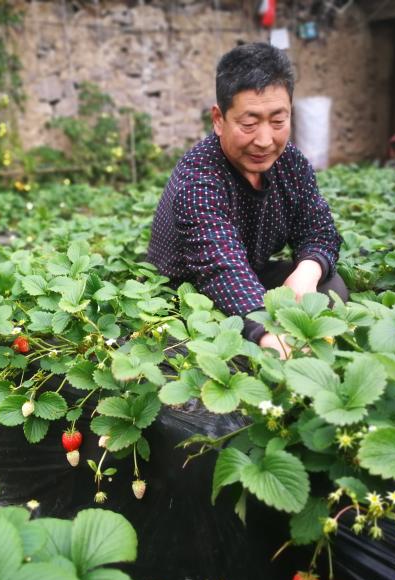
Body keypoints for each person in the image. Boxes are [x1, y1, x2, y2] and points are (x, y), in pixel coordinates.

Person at [147, 43, 347, 359]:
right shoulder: (198, 178)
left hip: (250, 274)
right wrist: (266, 332)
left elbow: (318, 229)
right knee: (201, 348)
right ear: (218, 118)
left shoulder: (290, 162)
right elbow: (221, 269)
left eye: (278, 121)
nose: (265, 140)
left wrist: (307, 271)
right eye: (249, 124)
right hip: (186, 294)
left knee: (329, 287)